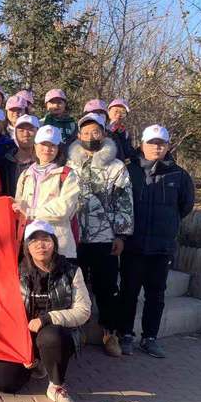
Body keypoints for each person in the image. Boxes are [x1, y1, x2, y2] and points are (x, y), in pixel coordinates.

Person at [0, 220, 90, 402]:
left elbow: (83, 311)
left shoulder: (71, 271)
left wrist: (47, 319)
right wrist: (17, 344)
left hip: (55, 334)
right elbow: (3, 310)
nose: (40, 245)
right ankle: (37, 365)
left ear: (54, 243)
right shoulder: (16, 271)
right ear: (26, 246)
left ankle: (57, 385)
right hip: (22, 336)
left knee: (52, 336)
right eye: (34, 240)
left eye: (46, 239)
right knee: (4, 381)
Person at [118, 125, 195, 358]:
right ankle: (125, 334)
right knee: (128, 292)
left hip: (161, 248)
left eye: (161, 143)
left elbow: (185, 206)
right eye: (151, 143)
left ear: (168, 146)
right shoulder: (129, 171)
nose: (156, 147)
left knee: (156, 294)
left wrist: (166, 225)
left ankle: (150, 337)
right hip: (133, 245)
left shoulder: (179, 175)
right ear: (142, 144)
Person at [67, 112, 134, 358]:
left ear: (104, 133)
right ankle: (77, 330)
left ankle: (109, 332)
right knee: (76, 285)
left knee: (107, 288)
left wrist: (121, 235)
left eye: (95, 132)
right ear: (78, 135)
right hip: (75, 237)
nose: (90, 136)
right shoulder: (69, 165)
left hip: (105, 237)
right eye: (86, 132)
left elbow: (125, 202)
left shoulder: (116, 167)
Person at [13, 125, 80, 261]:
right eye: (43, 144)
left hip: (58, 246)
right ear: (35, 146)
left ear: (58, 148)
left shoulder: (67, 174)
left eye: (52, 145)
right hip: (30, 245)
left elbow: (64, 209)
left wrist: (31, 212)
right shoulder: (26, 175)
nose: (47, 149)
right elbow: (19, 207)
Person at [0, 114, 39, 197]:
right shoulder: (3, 161)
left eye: (30, 129)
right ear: (15, 133)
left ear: (38, 132)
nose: (26, 134)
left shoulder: (44, 162)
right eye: (21, 130)